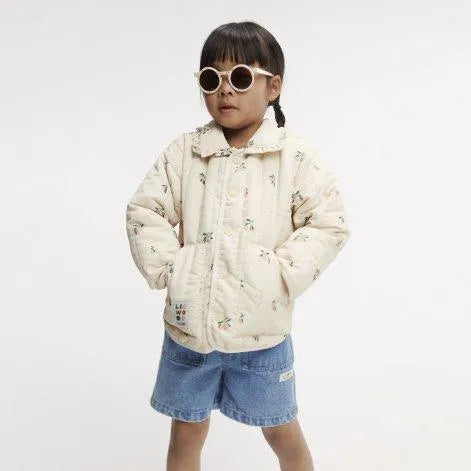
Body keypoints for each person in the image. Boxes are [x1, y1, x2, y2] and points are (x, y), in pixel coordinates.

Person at [125, 20, 350, 471]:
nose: (225, 89)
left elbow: (328, 222)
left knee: (282, 431)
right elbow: (145, 210)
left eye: (241, 77)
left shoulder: (294, 158)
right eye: (212, 78)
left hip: (263, 335)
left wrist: (280, 274)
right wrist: (173, 269)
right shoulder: (185, 152)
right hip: (189, 332)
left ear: (273, 87)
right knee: (185, 434)